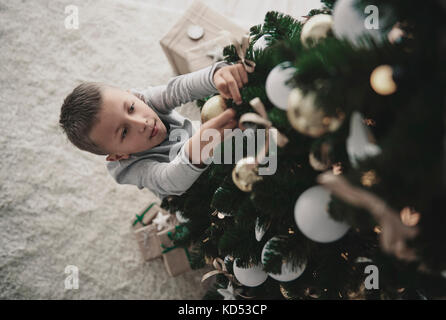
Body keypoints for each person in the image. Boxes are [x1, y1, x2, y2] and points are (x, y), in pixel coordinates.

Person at [59, 61, 249, 200]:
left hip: (202, 140)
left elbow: (180, 89)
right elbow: (169, 180)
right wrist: (197, 149)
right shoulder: (129, 169)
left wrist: (215, 75)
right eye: (124, 132)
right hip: (194, 195)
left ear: (130, 95)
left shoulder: (144, 99)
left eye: (131, 108)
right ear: (118, 155)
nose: (141, 123)